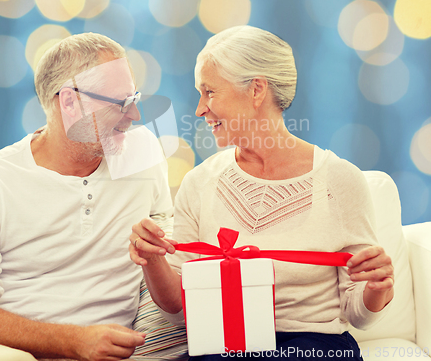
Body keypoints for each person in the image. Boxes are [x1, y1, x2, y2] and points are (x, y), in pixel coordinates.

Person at [130, 26, 394, 360]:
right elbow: (179, 310)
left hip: (312, 349)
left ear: (256, 90)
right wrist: (151, 259)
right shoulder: (200, 183)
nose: (199, 109)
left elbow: (358, 313)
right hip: (225, 349)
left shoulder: (339, 181)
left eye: (209, 92)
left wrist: (377, 287)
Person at [0, 33, 172, 361]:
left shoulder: (143, 153)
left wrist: (153, 255)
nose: (134, 115)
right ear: (69, 102)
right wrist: (74, 341)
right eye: (119, 103)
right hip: (5, 351)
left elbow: (172, 283)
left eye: (134, 98)